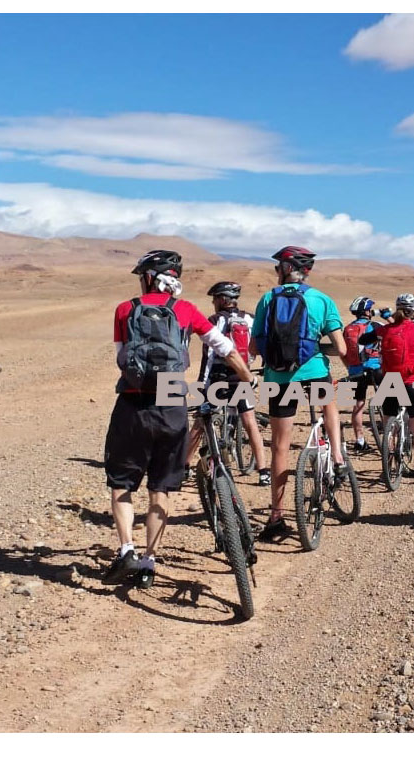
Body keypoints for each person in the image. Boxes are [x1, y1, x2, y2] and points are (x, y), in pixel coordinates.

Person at [103, 250, 253, 589]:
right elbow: (223, 347)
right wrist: (246, 378)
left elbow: (121, 357)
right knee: (161, 488)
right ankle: (149, 562)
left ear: (149, 277)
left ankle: (127, 548)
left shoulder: (125, 309)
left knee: (122, 484)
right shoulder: (185, 310)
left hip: (131, 399)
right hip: (171, 398)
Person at [251, 246, 349, 542]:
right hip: (314, 372)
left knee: (280, 447)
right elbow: (342, 349)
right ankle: (337, 458)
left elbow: (255, 348)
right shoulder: (321, 299)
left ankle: (276, 516)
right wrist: (319, 348)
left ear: (284, 269)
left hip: (277, 378)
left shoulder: (268, 298)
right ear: (305, 271)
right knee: (329, 404)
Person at [184, 281, 270, 486]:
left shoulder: (216, 320)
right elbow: (260, 343)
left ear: (222, 299)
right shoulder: (249, 318)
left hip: (219, 378)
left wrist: (201, 385)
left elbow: (210, 356)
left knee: (200, 422)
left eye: (214, 298)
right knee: (250, 421)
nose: (213, 302)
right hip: (242, 376)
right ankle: (264, 470)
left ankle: (183, 466)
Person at [359, 293, 414, 485]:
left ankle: (386, 470)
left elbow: (364, 340)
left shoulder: (385, 329)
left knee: (388, 428)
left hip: (389, 381)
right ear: (413, 311)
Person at [343, 296, 384, 453]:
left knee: (358, 404)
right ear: (367, 311)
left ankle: (359, 441)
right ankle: (390, 441)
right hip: (376, 369)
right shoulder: (375, 325)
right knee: (389, 403)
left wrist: (351, 367)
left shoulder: (347, 329)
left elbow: (343, 352)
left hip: (355, 371)